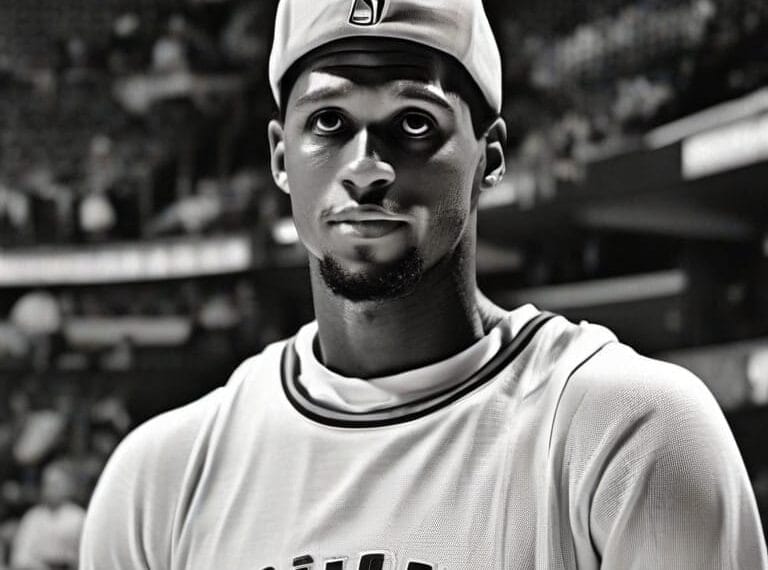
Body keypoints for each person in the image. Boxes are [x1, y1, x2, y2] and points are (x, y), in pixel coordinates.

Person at [80, 0, 768, 568]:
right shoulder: (158, 480)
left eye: (414, 123)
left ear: (490, 156)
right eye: (328, 121)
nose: (366, 168)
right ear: (280, 157)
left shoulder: (632, 433)